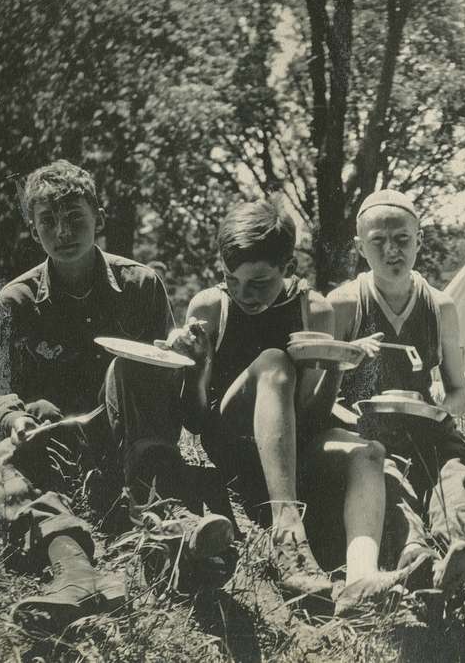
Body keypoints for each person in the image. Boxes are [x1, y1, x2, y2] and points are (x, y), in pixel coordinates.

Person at [0, 160, 235, 635]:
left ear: (100, 219)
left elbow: (171, 396)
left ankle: (171, 527)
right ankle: (74, 570)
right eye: (48, 221)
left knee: (131, 362)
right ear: (33, 231)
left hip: (132, 449)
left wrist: (184, 357)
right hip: (54, 447)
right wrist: (12, 418)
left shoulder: (140, 285)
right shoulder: (17, 301)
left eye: (75, 217)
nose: (62, 231)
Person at [163, 200, 412, 615]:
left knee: (369, 452)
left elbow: (312, 421)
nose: (244, 294)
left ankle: (359, 580)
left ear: (287, 267)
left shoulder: (314, 310)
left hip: (293, 448)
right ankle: (287, 531)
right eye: (232, 279)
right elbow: (194, 421)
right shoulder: (210, 307)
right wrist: (199, 364)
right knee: (274, 363)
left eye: (259, 282)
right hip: (234, 448)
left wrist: (334, 368)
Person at [328, 189, 465, 615]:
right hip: (364, 433)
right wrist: (348, 374)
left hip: (426, 426)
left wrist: (443, 411)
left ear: (419, 239)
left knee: (455, 479)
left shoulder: (439, 306)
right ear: (361, 248)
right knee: (391, 482)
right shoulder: (345, 303)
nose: (392, 251)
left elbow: (458, 390)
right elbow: (320, 398)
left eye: (403, 240)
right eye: (379, 242)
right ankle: (419, 563)